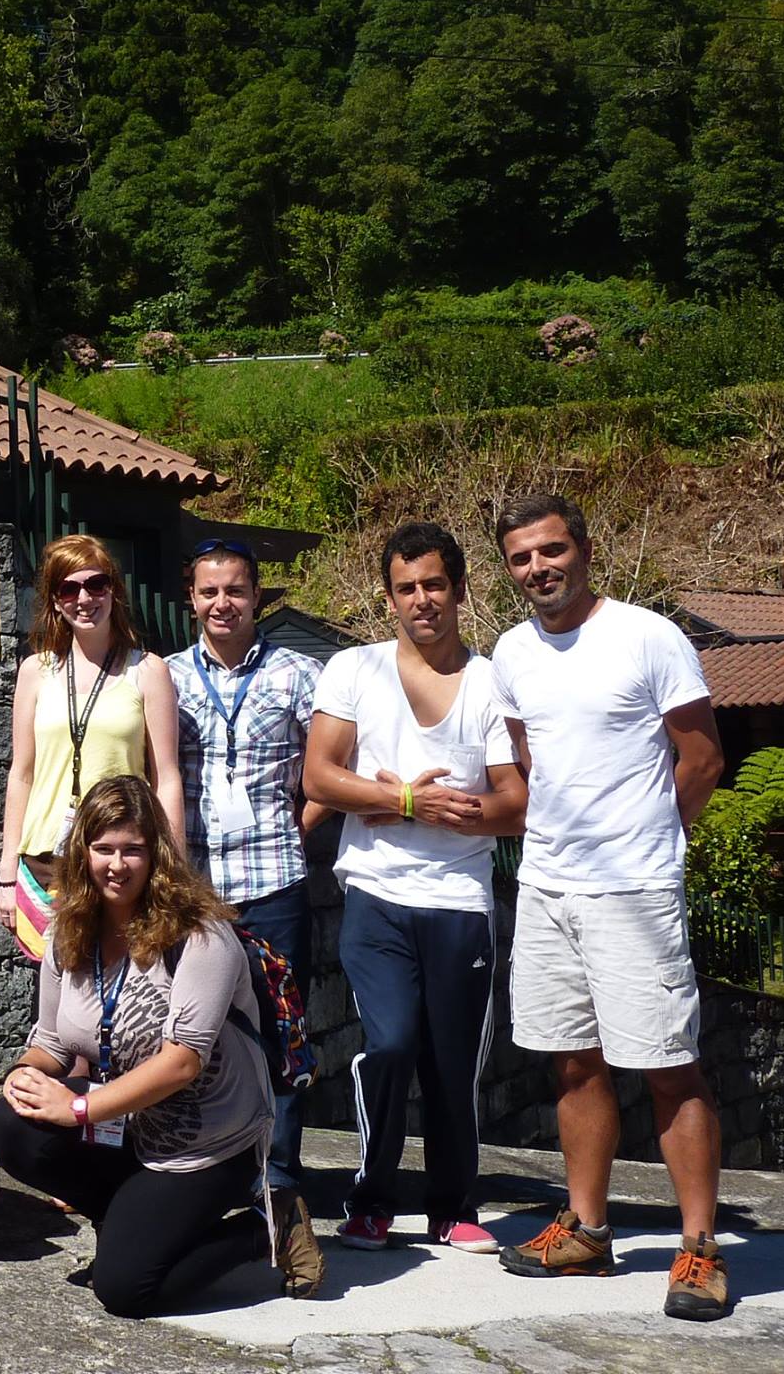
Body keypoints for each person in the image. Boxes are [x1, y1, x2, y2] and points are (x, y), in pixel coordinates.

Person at [488, 494, 729, 1320]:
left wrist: (650, 843)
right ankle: (588, 1232)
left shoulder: (647, 636)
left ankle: (699, 1250)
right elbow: (532, 761)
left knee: (669, 1066)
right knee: (573, 1062)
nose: (538, 568)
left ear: (585, 551)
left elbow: (701, 759)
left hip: (634, 892)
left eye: (551, 551)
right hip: (547, 886)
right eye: (522, 558)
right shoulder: (511, 651)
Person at [301, 522, 527, 1253]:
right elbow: (319, 777)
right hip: (376, 895)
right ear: (390, 597)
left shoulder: (490, 681)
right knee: (391, 1044)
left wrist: (440, 810)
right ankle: (371, 1199)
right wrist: (403, 801)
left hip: (460, 902)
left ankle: (452, 1206)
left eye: (434, 585)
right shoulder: (354, 669)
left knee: (454, 1063)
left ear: (459, 590)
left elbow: (516, 803)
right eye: (406, 588)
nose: (421, 600)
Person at [0, 775, 291, 1315]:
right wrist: (24, 1074)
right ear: (82, 852)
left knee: (125, 1290)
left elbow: (183, 1062)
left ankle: (268, 1228)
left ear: (157, 856)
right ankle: (129, 1220)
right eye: (103, 848)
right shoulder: (69, 931)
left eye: (133, 850)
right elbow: (52, 1042)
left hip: (208, 1143)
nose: (117, 865)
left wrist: (78, 1108)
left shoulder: (201, 935)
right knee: (12, 1125)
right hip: (129, 1125)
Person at [167, 537, 326, 1283]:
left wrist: (295, 830)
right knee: (190, 1033)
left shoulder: (299, 674)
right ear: (191, 599)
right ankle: (198, 1179)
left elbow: (330, 769)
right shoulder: (167, 678)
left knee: (280, 1035)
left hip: (273, 882)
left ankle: (281, 1193)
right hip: (193, 888)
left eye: (235, 590)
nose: (222, 603)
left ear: (257, 596)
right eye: (209, 592)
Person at [0, 535, 183, 961]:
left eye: (96, 585)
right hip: (48, 860)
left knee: (124, 978)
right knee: (54, 983)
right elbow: (21, 774)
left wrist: (173, 866)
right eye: (69, 588)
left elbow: (166, 777)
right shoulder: (35, 672)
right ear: (55, 600)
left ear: (114, 591)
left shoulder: (147, 671)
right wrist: (7, 870)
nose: (84, 599)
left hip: (121, 859)